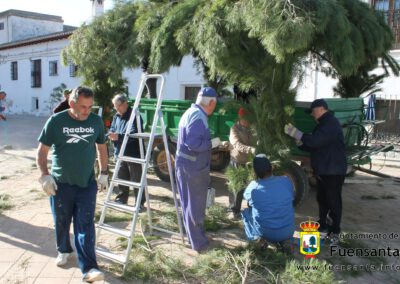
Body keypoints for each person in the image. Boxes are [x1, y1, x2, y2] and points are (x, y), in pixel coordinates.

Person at [36, 86, 108, 282]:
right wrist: (44, 176)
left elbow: (102, 148)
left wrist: (103, 173)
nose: (87, 111)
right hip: (61, 185)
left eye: (90, 107)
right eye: (83, 107)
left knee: (85, 225)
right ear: (72, 103)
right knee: (61, 220)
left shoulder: (96, 121)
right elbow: (41, 152)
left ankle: (89, 268)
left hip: (86, 184)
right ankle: (63, 249)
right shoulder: (56, 122)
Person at [284, 98, 347, 245]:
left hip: (332, 170)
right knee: (322, 198)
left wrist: (297, 134)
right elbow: (313, 144)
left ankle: (335, 231)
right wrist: (299, 142)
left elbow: (316, 141)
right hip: (325, 169)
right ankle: (323, 224)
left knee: (333, 201)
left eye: (312, 111)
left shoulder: (330, 123)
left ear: (320, 109)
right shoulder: (323, 124)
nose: (312, 115)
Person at [175, 87, 219, 252]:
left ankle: (193, 238)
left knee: (187, 203)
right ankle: (200, 244)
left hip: (185, 164)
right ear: (211, 102)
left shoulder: (189, 112)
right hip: (194, 167)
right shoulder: (199, 117)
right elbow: (193, 143)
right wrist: (211, 144)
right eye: (215, 104)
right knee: (195, 205)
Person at [242, 154, 295, 243]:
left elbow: (246, 198)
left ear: (255, 172)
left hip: (265, 233)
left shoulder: (252, 187)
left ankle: (256, 238)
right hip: (287, 232)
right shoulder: (286, 180)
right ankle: (285, 241)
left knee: (246, 212)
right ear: (271, 167)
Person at [109, 94, 145, 207]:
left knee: (136, 179)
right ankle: (122, 199)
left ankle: (139, 203)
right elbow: (112, 128)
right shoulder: (116, 116)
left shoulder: (135, 116)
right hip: (119, 151)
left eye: (118, 106)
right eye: (114, 106)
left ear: (125, 104)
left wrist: (118, 136)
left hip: (133, 153)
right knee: (121, 177)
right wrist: (111, 134)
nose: (116, 108)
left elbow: (135, 134)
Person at [228, 107, 256, 218]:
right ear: (240, 118)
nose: (246, 122)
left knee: (251, 187)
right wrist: (251, 150)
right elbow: (237, 144)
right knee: (236, 187)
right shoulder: (234, 128)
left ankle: (251, 211)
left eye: (248, 119)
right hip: (237, 160)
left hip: (250, 162)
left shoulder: (252, 127)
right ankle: (234, 210)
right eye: (244, 119)